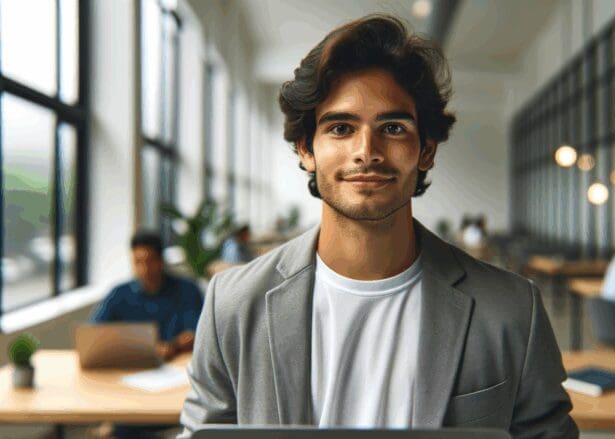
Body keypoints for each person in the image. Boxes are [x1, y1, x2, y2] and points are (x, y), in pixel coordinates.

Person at [180, 15, 576, 438]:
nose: (366, 151)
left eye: (392, 128)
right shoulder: (233, 305)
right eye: (340, 128)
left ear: (426, 150)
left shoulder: (513, 309)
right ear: (305, 149)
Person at [91, 231, 204, 360]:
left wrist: (173, 346)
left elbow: (196, 333)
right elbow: (94, 332)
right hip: (131, 363)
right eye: (138, 262)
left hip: (176, 362)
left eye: (150, 261)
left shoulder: (187, 290)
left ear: (161, 260)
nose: (144, 269)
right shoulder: (118, 293)